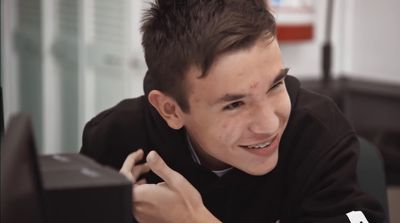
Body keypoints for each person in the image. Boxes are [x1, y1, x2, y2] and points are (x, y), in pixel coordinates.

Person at [80, 0, 384, 222]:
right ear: (170, 110)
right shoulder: (115, 138)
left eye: (276, 84)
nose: (268, 125)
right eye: (234, 104)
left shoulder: (318, 131)